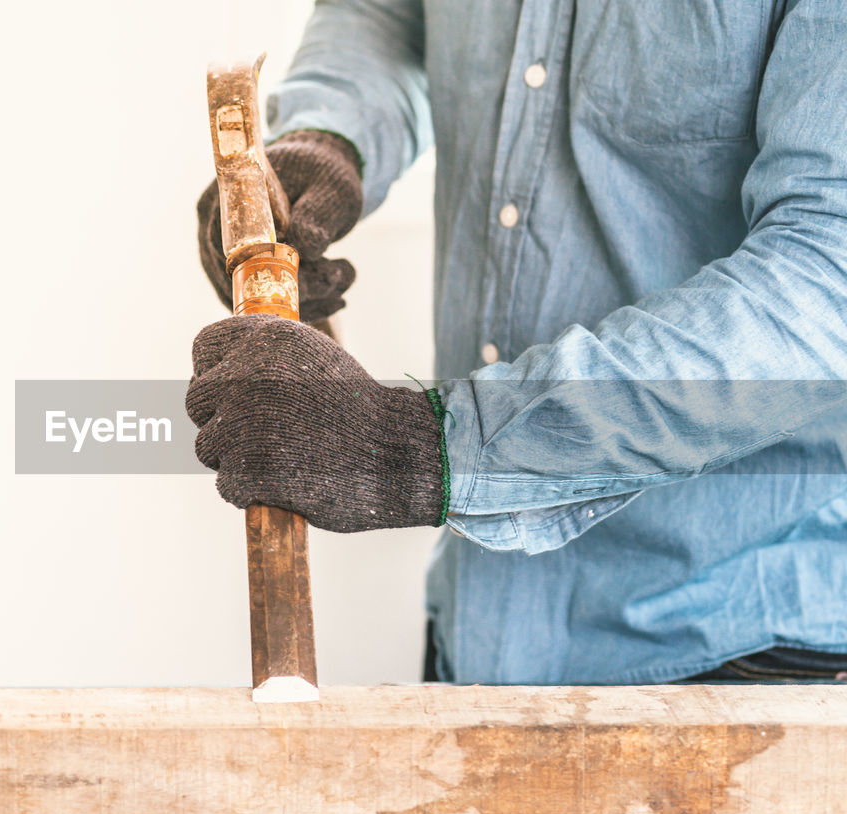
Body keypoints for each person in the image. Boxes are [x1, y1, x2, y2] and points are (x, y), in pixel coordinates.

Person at [187, 0, 847, 684]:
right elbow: (383, 14)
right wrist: (330, 138)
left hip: (743, 653)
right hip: (478, 628)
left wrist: (417, 447)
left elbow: (825, 282)